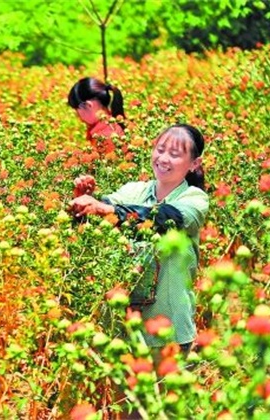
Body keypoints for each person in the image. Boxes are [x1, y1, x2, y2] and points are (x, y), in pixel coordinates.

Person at [69, 123, 209, 356]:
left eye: (174, 154)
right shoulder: (133, 191)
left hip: (167, 331)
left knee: (163, 392)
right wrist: (83, 202)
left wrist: (104, 209)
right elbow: (100, 216)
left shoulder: (194, 198)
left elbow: (167, 218)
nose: (164, 159)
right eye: (160, 150)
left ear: (194, 164)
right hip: (119, 328)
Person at [67, 77, 125, 156]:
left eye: (77, 111)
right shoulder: (113, 124)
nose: (79, 117)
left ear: (88, 105)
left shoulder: (106, 137)